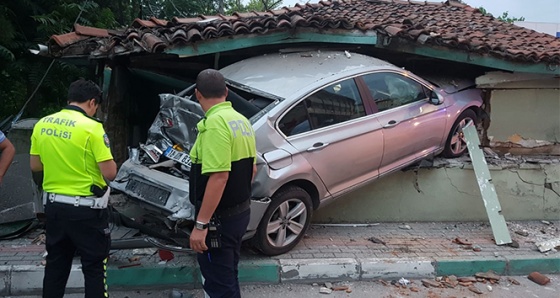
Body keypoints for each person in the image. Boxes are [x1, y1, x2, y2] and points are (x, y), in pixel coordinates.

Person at [30, 79, 117, 298]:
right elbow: (110, 173)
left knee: (56, 267)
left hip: (54, 209)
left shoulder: (43, 124)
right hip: (87, 211)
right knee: (95, 267)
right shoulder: (92, 128)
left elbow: (35, 166)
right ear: (92, 102)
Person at [189, 69, 257, 298]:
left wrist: (201, 225)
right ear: (226, 92)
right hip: (239, 214)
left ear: (197, 94)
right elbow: (252, 169)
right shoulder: (241, 121)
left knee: (218, 283)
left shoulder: (215, 125)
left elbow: (219, 177)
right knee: (227, 275)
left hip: (219, 220)